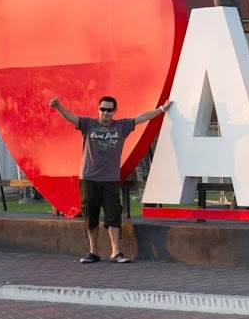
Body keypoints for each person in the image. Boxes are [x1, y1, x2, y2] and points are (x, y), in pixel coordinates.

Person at [49, 95, 171, 264]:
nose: (105, 113)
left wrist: (162, 109)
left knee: (113, 214)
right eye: (102, 109)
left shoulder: (121, 126)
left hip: (110, 180)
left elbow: (141, 118)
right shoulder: (88, 124)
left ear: (115, 111)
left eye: (109, 110)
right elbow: (71, 118)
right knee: (90, 215)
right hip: (89, 178)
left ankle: (116, 252)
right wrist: (58, 106)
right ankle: (93, 252)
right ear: (98, 109)